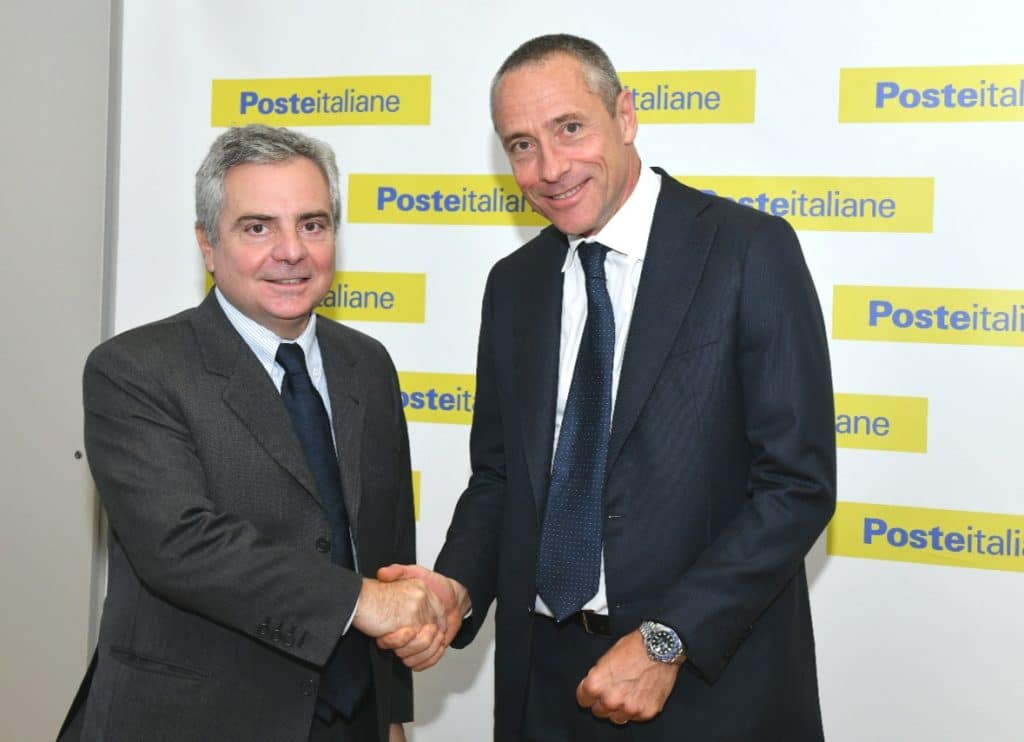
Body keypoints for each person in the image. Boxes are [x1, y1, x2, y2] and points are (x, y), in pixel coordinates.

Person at [380, 33, 837, 741]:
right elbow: (501, 478)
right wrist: (456, 586)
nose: (550, 168)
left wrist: (667, 640)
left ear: (624, 115)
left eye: (570, 128)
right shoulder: (515, 284)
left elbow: (796, 486)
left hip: (706, 685)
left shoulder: (748, 250)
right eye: (522, 145)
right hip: (544, 685)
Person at [58, 124, 446, 742]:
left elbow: (384, 545)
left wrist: (390, 715)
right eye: (258, 227)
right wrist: (361, 601)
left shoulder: (367, 364)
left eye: (312, 224)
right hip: (195, 722)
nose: (291, 251)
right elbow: (181, 545)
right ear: (208, 245)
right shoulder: (134, 370)